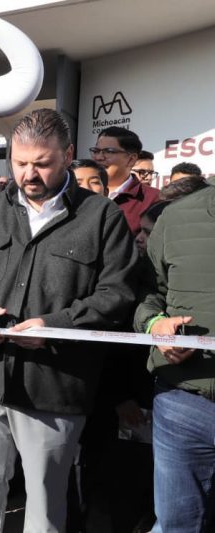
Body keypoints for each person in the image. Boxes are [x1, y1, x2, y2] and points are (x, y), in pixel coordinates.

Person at [0, 109, 138, 532]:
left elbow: (118, 294)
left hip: (54, 385)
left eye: (42, 163)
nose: (28, 174)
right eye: (19, 162)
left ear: (67, 155)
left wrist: (57, 326)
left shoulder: (101, 217)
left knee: (46, 510)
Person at [134, 185, 215, 532]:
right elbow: (148, 293)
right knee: (176, 525)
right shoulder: (177, 216)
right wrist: (156, 324)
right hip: (183, 403)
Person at [91, 126, 159, 235]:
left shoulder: (154, 199)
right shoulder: (80, 192)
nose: (99, 157)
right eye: (96, 151)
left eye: (108, 151)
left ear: (131, 159)